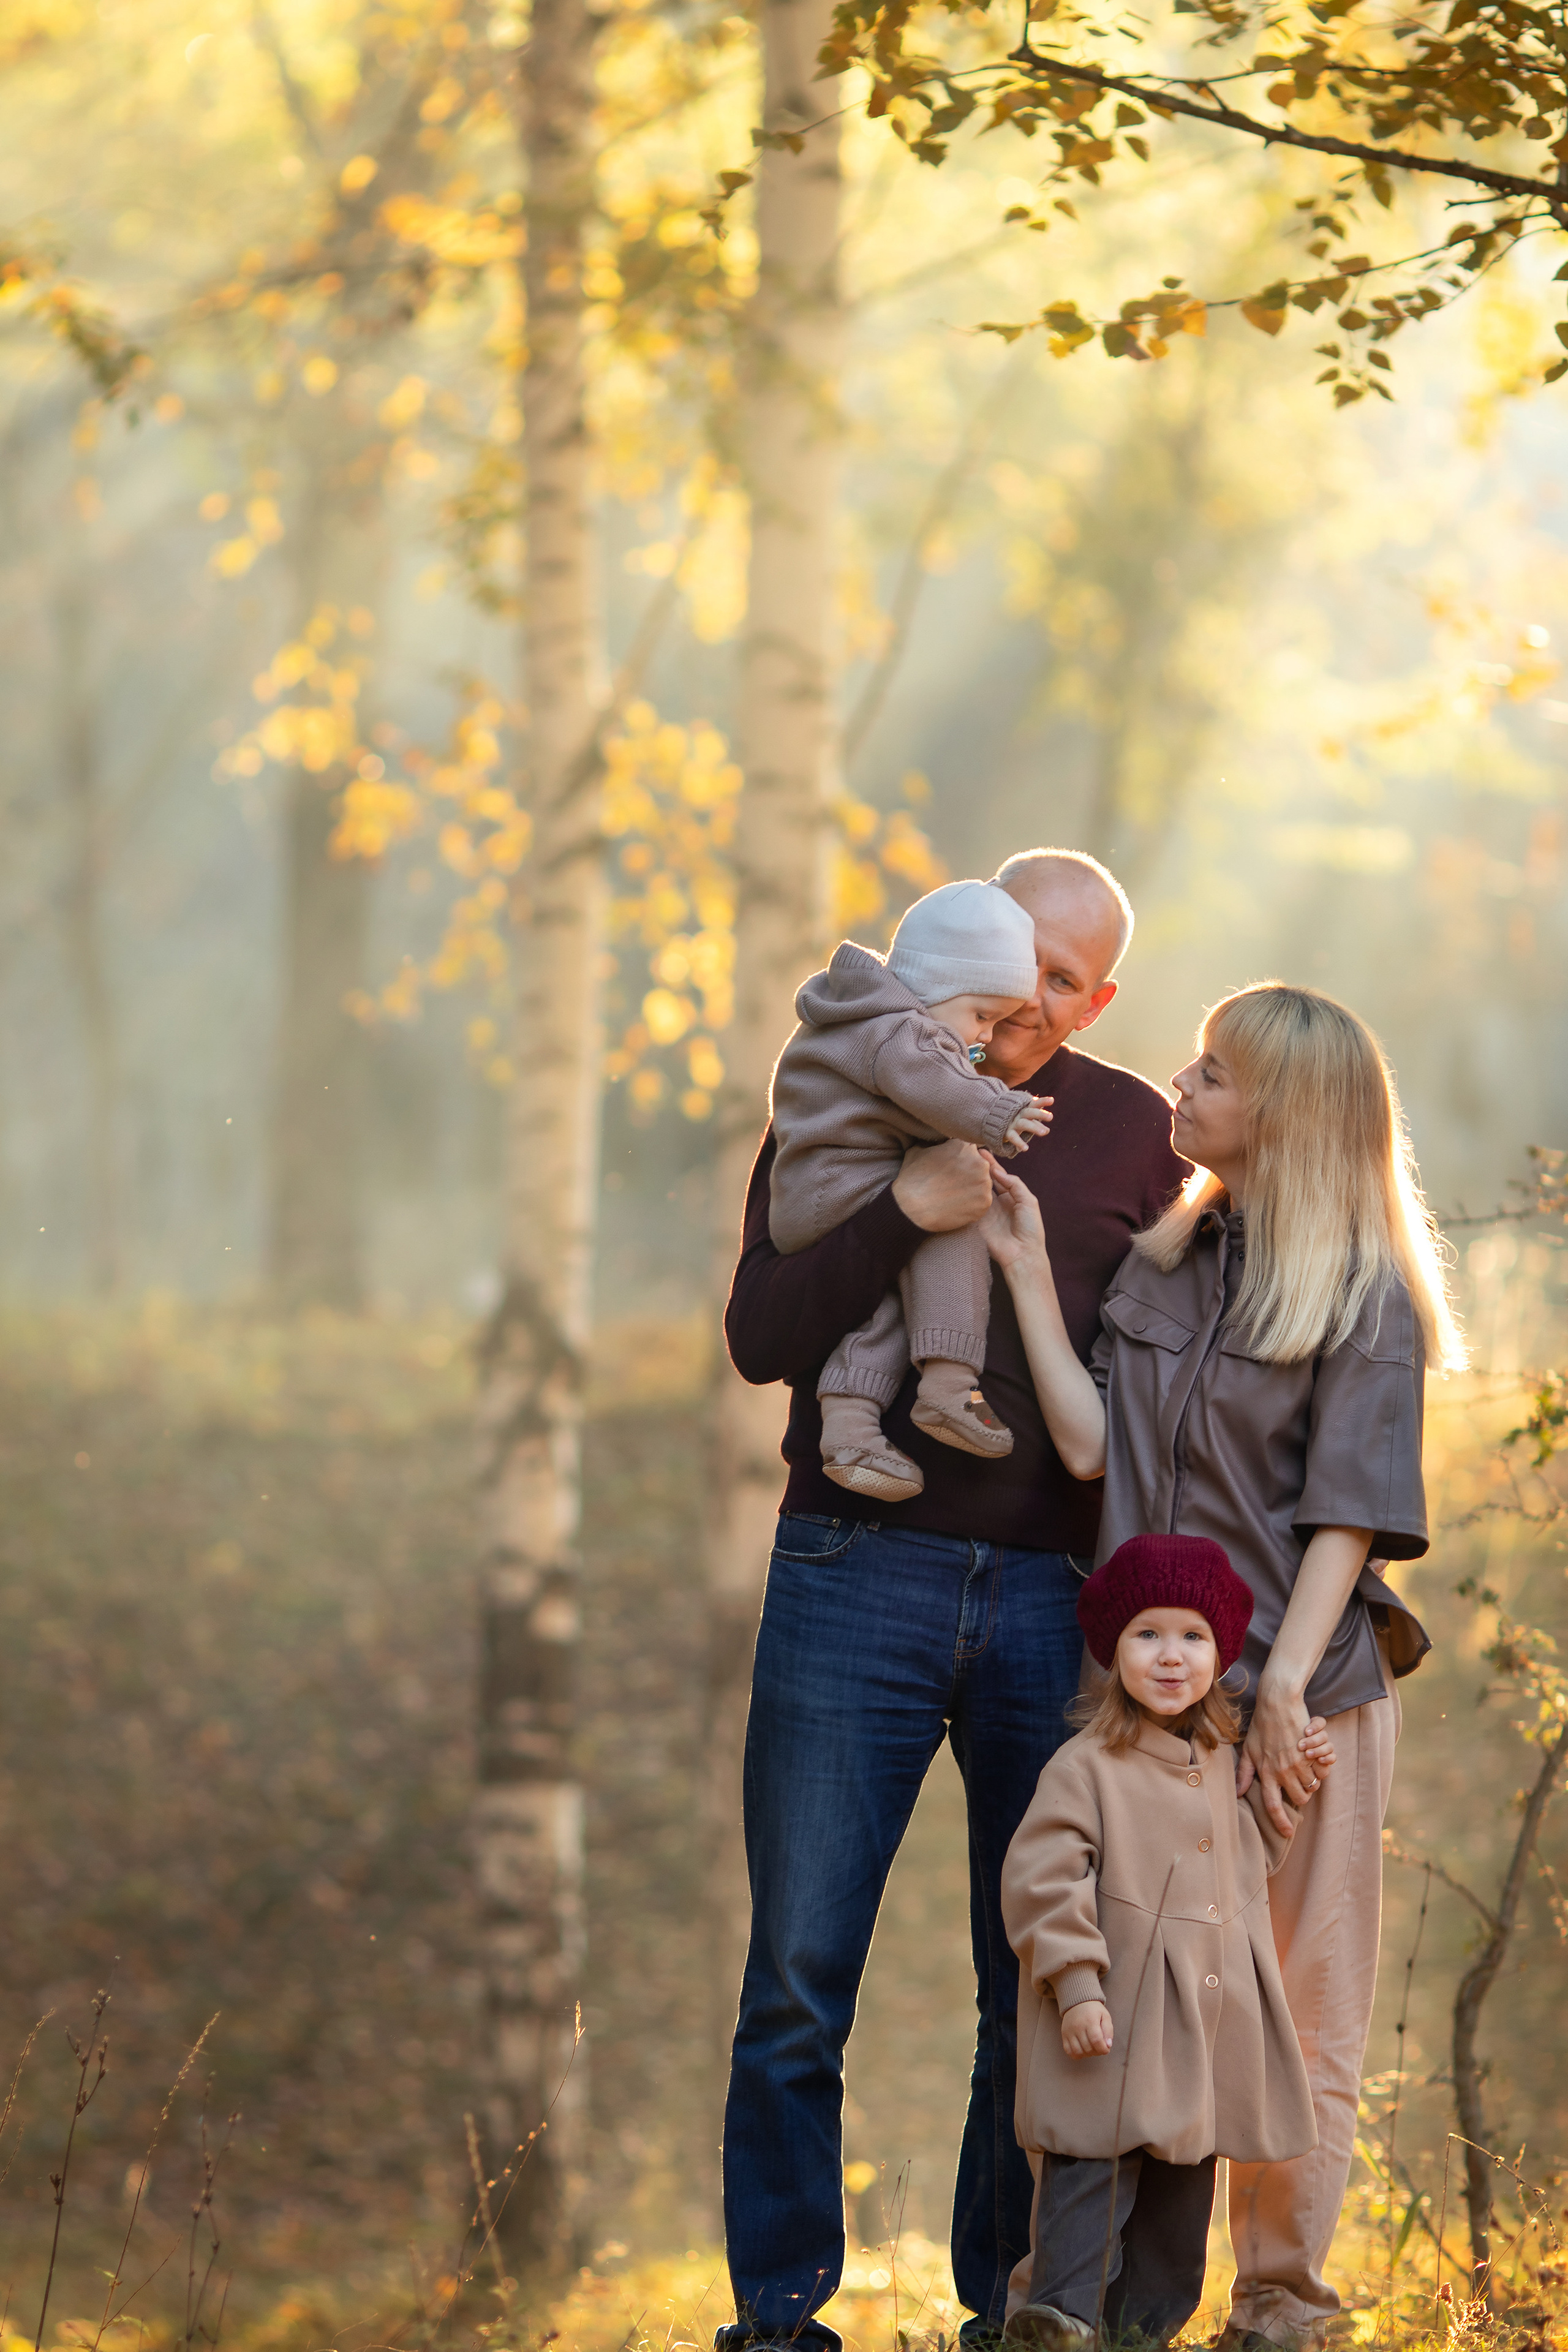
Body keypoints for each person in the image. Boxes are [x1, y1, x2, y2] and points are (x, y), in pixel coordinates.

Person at [717, 850, 1190, 2352]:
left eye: (1064, 982)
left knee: (1031, 1981)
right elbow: (758, 1334)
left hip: (1054, 1597)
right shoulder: (851, 1076)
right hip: (850, 1569)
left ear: (1096, 993)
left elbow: (1181, 1395)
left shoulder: (1134, 1135)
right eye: (1013, 967)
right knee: (798, 1973)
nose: (1026, 1007)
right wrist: (896, 1210)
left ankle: (1006, 2307)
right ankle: (780, 2319)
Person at [981, 981, 1466, 2351]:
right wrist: (1021, 1267)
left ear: (1285, 1115)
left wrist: (1280, 1696)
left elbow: (1345, 1517)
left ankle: (1278, 2303)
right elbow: (1090, 1452)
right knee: (1127, 1998)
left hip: (1300, 1700)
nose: (1177, 1088)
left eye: (1210, 1073)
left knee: (1293, 2009)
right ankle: (1082, 2304)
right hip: (1148, 1719)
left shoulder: (1359, 1290)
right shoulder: (1161, 1261)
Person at [1000, 1532, 1328, 2352]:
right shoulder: (1087, 1767)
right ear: (1114, 1652)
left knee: (1182, 2204)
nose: (1171, 1656)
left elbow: (1242, 1868)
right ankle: (1061, 2322)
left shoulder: (1222, 1760)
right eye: (1148, 1635)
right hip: (1114, 2021)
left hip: (1200, 2034)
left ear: (1221, 1655)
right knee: (1090, 2177)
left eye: (1192, 1637)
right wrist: (1076, 1985)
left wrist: (1291, 1791)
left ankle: (1142, 2334)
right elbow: (1044, 1883)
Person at [769, 879, 1052, 1502]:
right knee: (954, 1218)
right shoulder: (902, 1031)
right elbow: (937, 1086)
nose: (982, 1039)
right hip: (844, 1185)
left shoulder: (859, 1020)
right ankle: (950, 1386)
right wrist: (998, 1114)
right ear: (936, 987)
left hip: (816, 1195)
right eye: (981, 1016)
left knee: (890, 1297)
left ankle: (848, 1432)